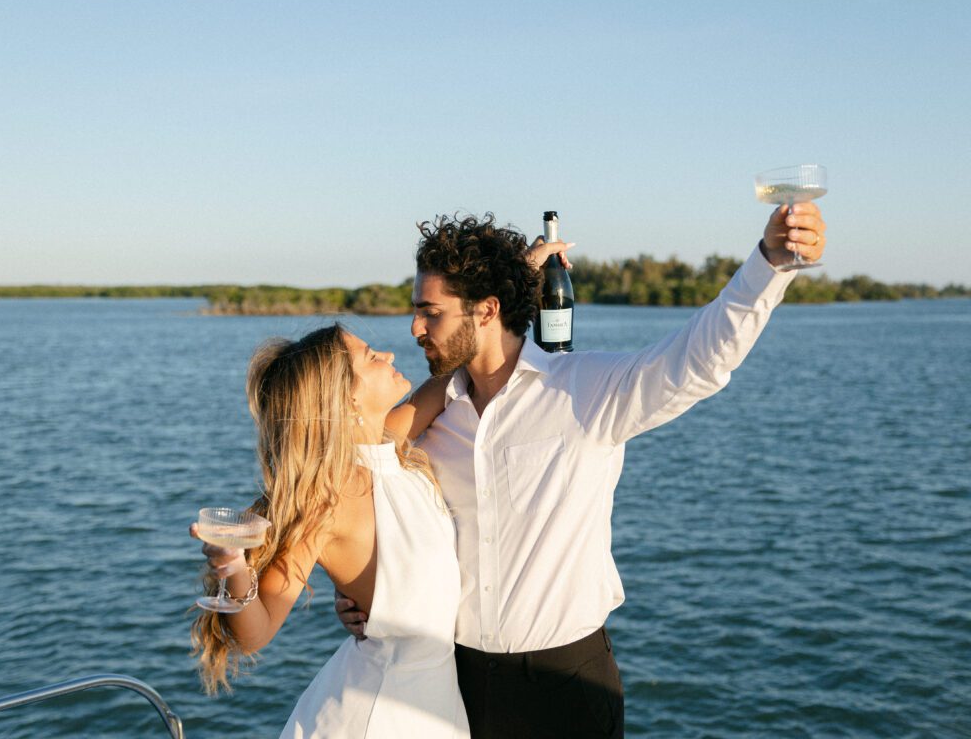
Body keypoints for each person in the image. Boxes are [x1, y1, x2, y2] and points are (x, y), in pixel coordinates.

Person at [337, 204, 827, 738]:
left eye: (431, 311)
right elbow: (369, 496)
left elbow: (699, 359)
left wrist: (770, 265)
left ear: (485, 310)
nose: (415, 327)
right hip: (454, 682)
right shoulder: (432, 418)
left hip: (567, 686)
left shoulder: (583, 391)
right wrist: (363, 588)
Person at [189, 325, 469, 738]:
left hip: (430, 704)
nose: (389, 356)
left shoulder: (390, 447)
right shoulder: (329, 499)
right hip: (378, 717)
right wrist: (233, 567)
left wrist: (526, 272)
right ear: (347, 399)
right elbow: (257, 633)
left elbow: (458, 371)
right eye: (372, 356)